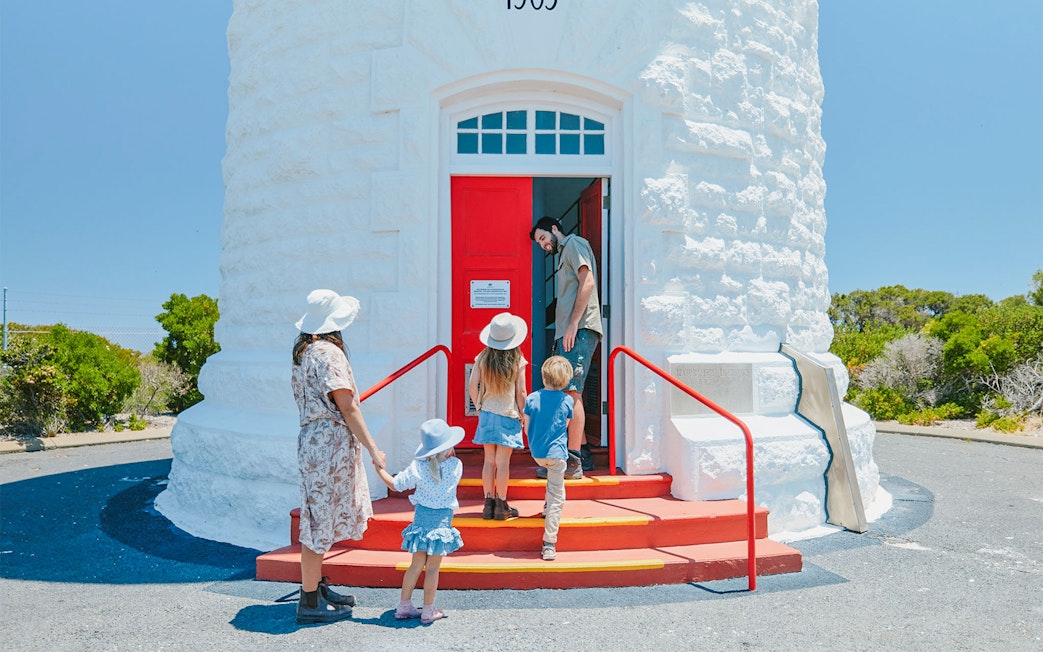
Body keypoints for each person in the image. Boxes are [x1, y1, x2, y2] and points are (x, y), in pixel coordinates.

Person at [291, 289, 388, 625]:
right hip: (329, 444)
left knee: (318, 516)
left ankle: (315, 588)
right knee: (318, 523)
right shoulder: (329, 353)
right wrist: (374, 448)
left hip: (313, 441)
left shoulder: (304, 352)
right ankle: (309, 601)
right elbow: (347, 406)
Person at [530, 215, 603, 478]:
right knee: (568, 391)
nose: (543, 245)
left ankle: (572, 463)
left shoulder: (573, 243)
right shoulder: (563, 254)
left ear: (554, 229)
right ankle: (582, 453)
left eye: (543, 238)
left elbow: (588, 281)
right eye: (539, 243)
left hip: (578, 330)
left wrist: (573, 324)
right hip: (569, 332)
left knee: (571, 391)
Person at [373, 418, 464, 625]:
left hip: (421, 522)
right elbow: (443, 468)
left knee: (415, 565)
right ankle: (428, 610)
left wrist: (379, 470)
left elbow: (395, 484)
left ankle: (404, 607)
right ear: (448, 448)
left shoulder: (417, 467)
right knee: (432, 568)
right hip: (441, 524)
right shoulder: (456, 466)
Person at [467, 312, 529, 520]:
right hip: (507, 415)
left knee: (488, 461)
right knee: (502, 463)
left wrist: (479, 406)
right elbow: (521, 393)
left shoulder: (483, 357)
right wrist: (523, 414)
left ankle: (488, 504)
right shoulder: (517, 359)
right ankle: (501, 505)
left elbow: (472, 385)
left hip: (487, 413)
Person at [523, 356, 575, 562]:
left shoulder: (532, 398)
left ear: (544, 377)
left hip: (537, 453)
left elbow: (526, 428)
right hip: (557, 454)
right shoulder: (567, 400)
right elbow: (565, 425)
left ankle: (546, 508)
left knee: (552, 486)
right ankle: (549, 543)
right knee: (557, 496)